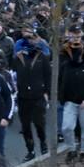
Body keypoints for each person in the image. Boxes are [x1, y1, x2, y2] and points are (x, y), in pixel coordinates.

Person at [9, 32, 50, 160]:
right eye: (28, 40)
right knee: (25, 126)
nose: (30, 42)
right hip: (23, 97)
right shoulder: (17, 57)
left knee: (39, 123)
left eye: (33, 39)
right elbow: (12, 74)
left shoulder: (42, 56)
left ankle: (43, 143)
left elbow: (48, 76)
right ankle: (30, 150)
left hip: (38, 95)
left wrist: (47, 93)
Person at [58, 34, 84, 160]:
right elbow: (59, 82)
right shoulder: (65, 67)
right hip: (70, 102)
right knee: (66, 127)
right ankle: (72, 148)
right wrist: (62, 97)